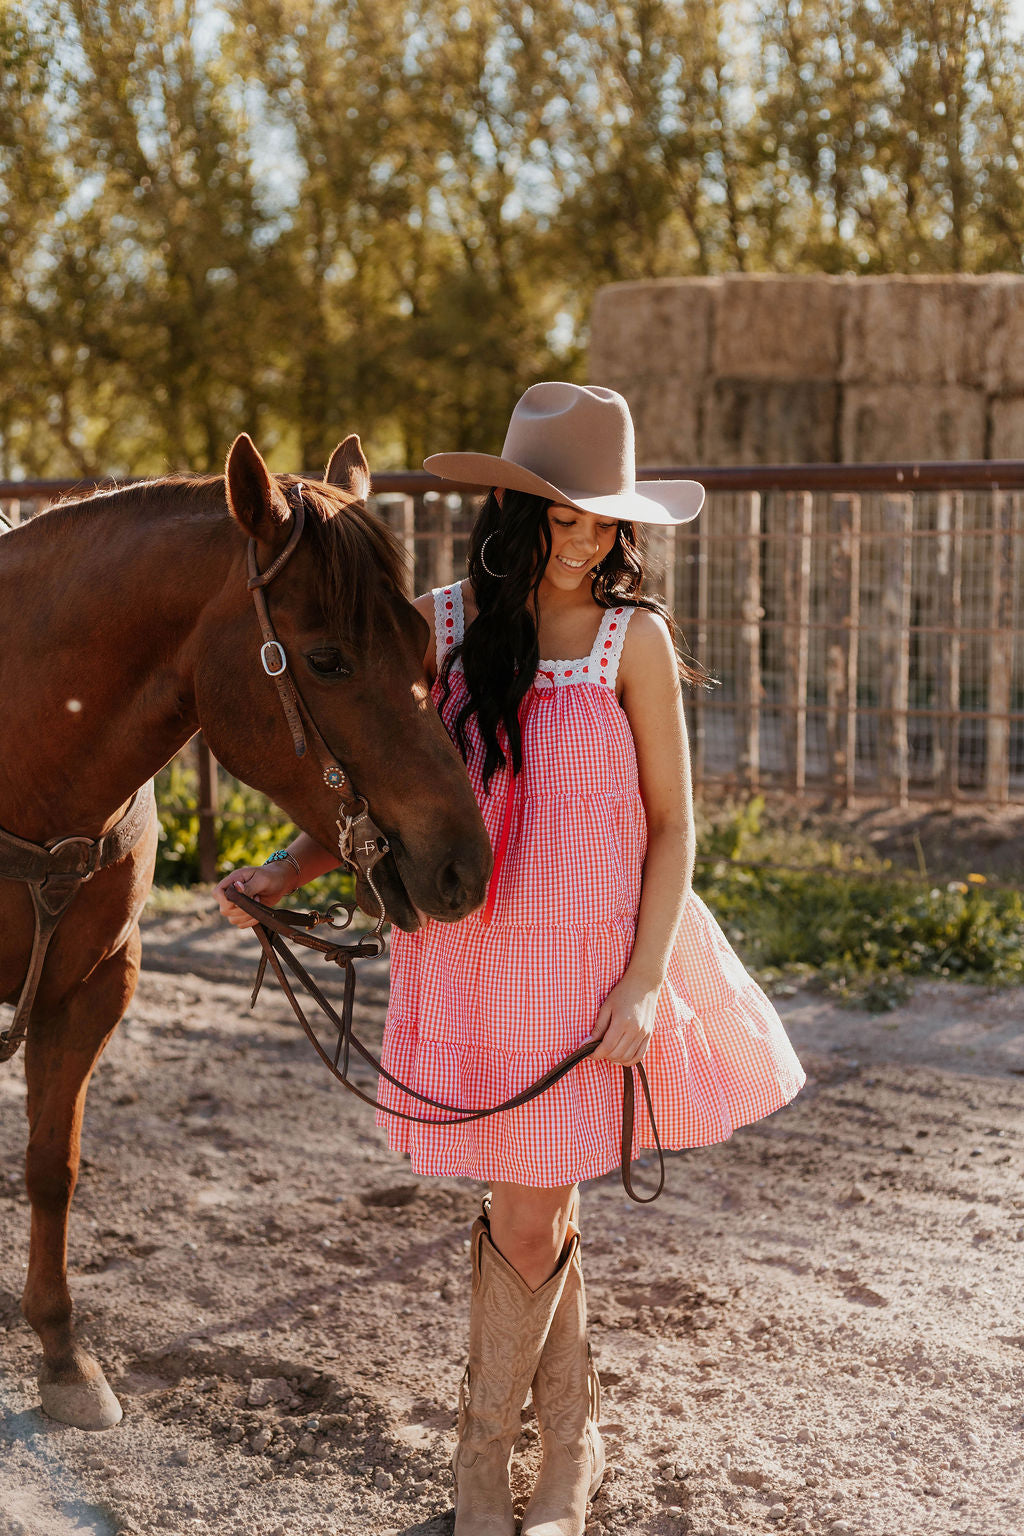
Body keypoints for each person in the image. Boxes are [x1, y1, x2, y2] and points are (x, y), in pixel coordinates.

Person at [216, 382, 805, 1536]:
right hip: (475, 959)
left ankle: (486, 1472)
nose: (591, 543)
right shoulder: (436, 628)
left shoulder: (636, 640)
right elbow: (380, 768)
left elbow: (675, 825)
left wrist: (641, 983)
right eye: (567, 519)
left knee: (528, 1219)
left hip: (590, 968)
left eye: (606, 524)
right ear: (513, 516)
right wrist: (278, 877)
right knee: (534, 1214)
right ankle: (571, 1452)